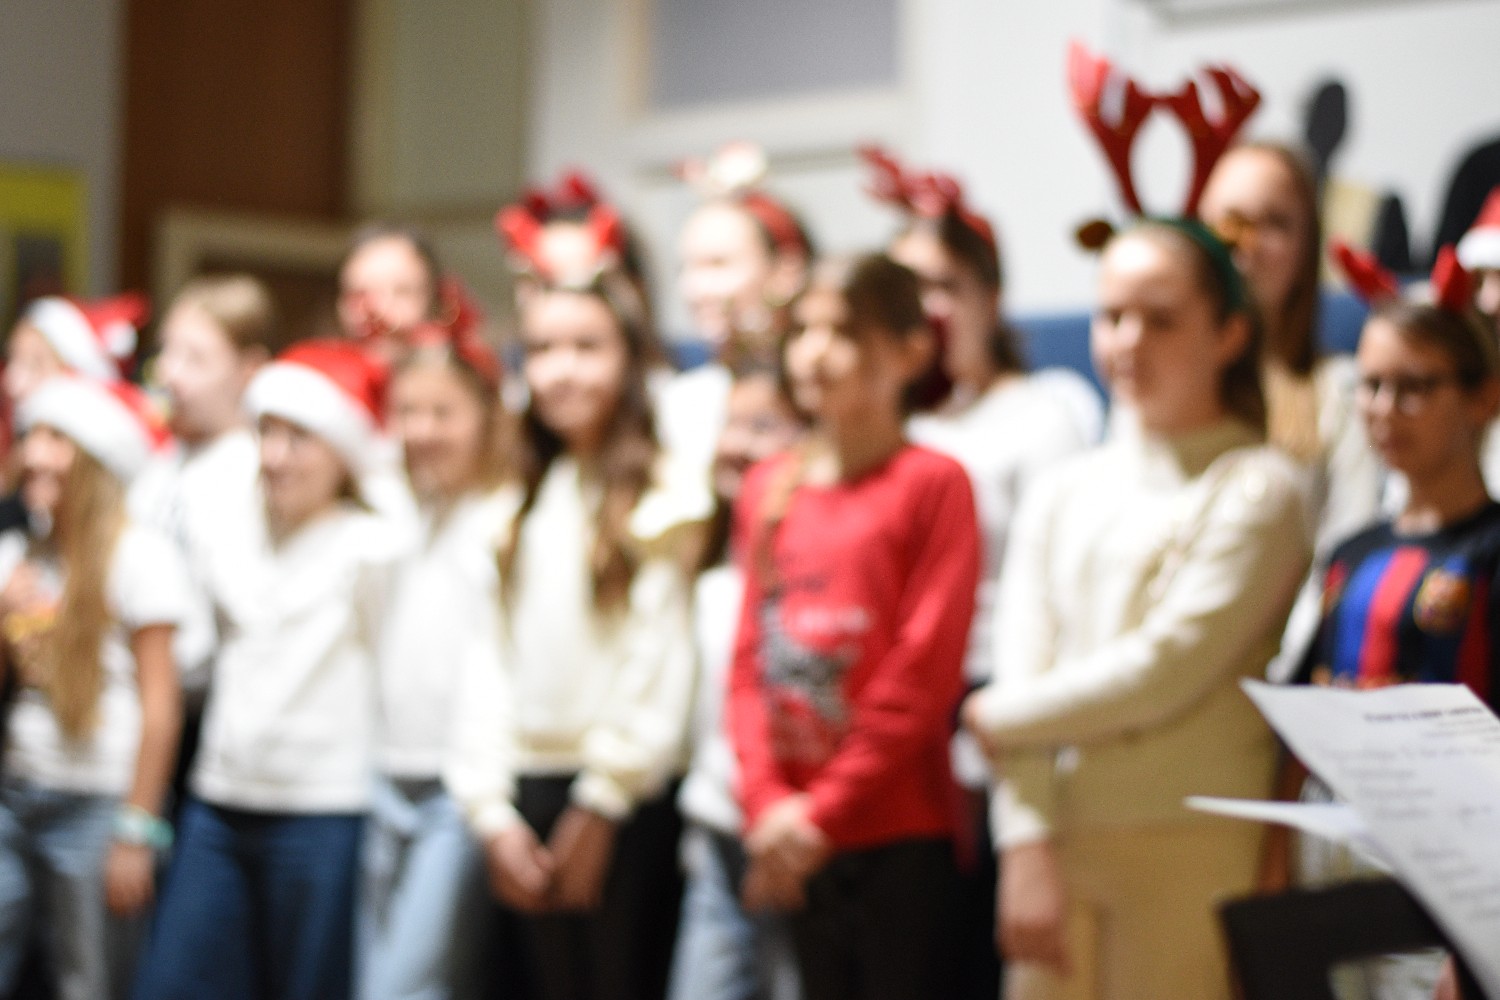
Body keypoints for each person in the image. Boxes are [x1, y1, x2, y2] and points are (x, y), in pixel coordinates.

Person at [962, 220, 1310, 1000]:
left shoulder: (1258, 486)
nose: (1128, 341)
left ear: (1229, 334)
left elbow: (1163, 670)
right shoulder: (1063, 488)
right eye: (1112, 315)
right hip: (1059, 840)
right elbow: (1025, 658)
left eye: (1160, 319)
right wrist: (1023, 843)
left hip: (1191, 841)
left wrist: (996, 716)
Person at [864, 148, 1102, 1000]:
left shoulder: (1044, 413)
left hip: (995, 702)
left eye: (944, 286)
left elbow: (1062, 587)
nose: (927, 309)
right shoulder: (888, 428)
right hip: (897, 716)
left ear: (987, 297)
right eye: (907, 291)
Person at [446, 243, 707, 1000]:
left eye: (588, 347)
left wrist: (603, 801)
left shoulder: (662, 486)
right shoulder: (516, 494)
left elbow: (658, 655)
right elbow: (487, 659)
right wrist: (491, 811)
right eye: (543, 350)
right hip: (525, 789)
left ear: (630, 356)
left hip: (622, 800)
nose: (563, 370)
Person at [727, 253, 981, 1000]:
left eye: (842, 331)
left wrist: (823, 815)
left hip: (898, 832)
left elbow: (923, 671)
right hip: (790, 836)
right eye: (802, 330)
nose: (814, 352)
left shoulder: (932, 483)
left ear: (911, 350)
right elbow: (747, 663)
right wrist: (766, 803)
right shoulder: (767, 486)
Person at [137, 341, 404, 1000]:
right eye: (267, 433)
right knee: (174, 980)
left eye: (300, 438)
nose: (276, 456)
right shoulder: (232, 529)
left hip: (322, 810)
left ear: (342, 453)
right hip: (219, 799)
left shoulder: (373, 546)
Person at [1278, 247, 1497, 1000]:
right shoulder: (1352, 551)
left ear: (1483, 396)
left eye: (1414, 388)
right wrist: (1274, 867)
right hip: (1333, 850)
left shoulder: (1489, 548)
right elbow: (1301, 715)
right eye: (1370, 385)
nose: (1383, 409)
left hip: (1450, 862)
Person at [0, 375, 189, 1000]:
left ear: (96, 459)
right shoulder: (16, 554)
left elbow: (161, 706)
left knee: (90, 980)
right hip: (16, 792)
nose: (34, 454)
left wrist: (136, 831)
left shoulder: (140, 557)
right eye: (31, 437)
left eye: (57, 439)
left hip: (98, 803)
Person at [359, 314, 508, 1000]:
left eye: (443, 413)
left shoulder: (503, 516)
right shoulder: (402, 513)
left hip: (458, 786)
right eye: (408, 412)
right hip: (386, 773)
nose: (422, 431)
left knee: (409, 984)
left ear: (486, 416)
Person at [1199, 145, 1386, 682]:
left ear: (1308, 248)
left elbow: (1347, 551)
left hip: (1281, 674)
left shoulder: (1341, 390)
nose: (1249, 245)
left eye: (1276, 224)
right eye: (1231, 223)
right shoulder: (1163, 387)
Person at [668, 362, 806, 1000]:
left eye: (763, 425)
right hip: (716, 826)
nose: (736, 444)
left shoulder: (811, 557)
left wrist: (779, 815)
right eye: (730, 424)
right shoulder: (702, 550)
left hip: (792, 835)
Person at [128, 276, 272, 797]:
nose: (170, 373)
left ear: (248, 370)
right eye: (167, 352)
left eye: (196, 359)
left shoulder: (251, 471)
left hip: (200, 724)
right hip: (135, 706)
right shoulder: (162, 461)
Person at [656, 142, 814, 477]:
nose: (693, 288)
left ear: (785, 271)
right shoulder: (682, 399)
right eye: (685, 267)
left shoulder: (817, 387)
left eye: (717, 264)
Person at [337, 224, 444, 366]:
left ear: (436, 303)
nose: (378, 310)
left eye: (401, 292)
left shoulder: (465, 375)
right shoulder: (315, 376)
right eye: (359, 294)